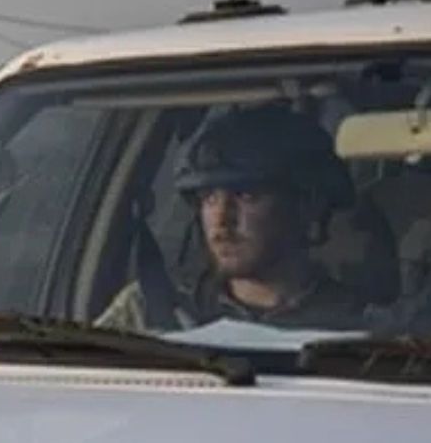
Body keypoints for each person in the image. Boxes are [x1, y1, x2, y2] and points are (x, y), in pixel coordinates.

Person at [100, 102, 371, 333]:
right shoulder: (145, 310)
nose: (221, 220)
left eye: (245, 196)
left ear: (307, 206)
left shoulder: (362, 328)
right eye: (209, 198)